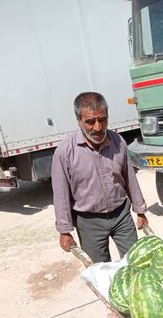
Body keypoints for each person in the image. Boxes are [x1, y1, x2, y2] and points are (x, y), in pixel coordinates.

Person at [51, 91, 148, 263]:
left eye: (102, 119)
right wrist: (64, 231)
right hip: (89, 222)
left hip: (121, 216)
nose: (97, 127)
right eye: (90, 122)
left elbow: (130, 178)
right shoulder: (64, 152)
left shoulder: (118, 142)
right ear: (79, 121)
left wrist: (140, 211)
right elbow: (61, 195)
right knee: (101, 272)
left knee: (137, 263)